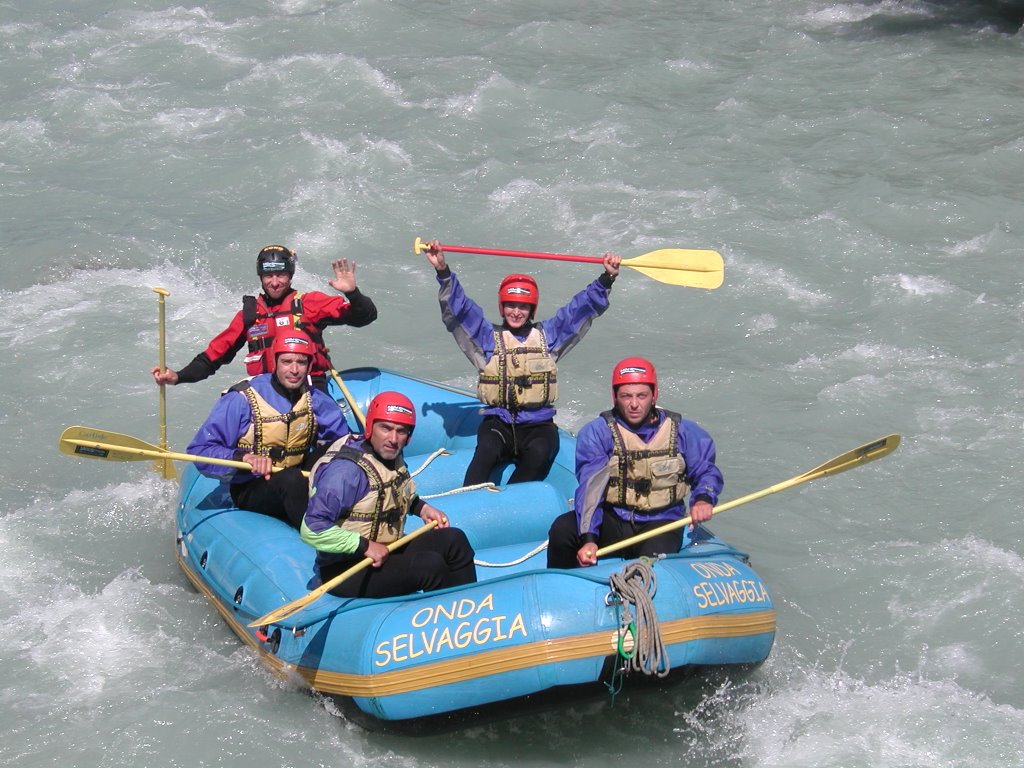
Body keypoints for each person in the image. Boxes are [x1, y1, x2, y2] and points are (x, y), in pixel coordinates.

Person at [423, 239, 621, 486]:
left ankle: (512, 504)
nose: (516, 312)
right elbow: (460, 310)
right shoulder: (486, 338)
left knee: (538, 456)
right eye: (510, 306)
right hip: (498, 425)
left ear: (532, 309)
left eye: (523, 307)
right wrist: (443, 271)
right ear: (502, 307)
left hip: (539, 427)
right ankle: (470, 503)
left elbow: (577, 312)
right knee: (483, 456)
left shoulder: (548, 337)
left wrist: (606, 279)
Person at [546, 357, 723, 569]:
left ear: (654, 395)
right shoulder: (597, 432)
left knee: (649, 569)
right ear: (615, 397)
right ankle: (563, 588)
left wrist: (703, 498)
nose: (634, 404)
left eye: (642, 395)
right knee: (563, 529)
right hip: (613, 519)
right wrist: (589, 539)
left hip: (662, 523)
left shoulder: (683, 431)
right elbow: (591, 489)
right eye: (626, 396)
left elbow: (706, 470)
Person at [301, 391, 477, 598]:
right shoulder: (346, 473)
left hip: (385, 551)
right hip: (345, 567)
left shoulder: (390, 455)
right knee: (430, 566)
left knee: (454, 540)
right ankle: (443, 622)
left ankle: (470, 607)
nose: (393, 439)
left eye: (401, 431)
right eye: (385, 428)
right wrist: (363, 546)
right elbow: (311, 529)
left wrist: (421, 508)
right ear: (370, 428)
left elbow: (390, 493)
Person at [152, 244, 377, 391]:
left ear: (290, 276)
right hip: (267, 392)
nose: (275, 282)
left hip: (308, 388)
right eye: (269, 275)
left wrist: (352, 293)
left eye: (281, 274)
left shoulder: (309, 303)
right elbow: (213, 357)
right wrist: (177, 377)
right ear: (261, 277)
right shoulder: (250, 315)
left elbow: (365, 316)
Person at [187, 330, 352, 527]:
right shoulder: (241, 399)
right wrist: (244, 458)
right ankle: (323, 535)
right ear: (274, 362)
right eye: (287, 361)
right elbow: (201, 450)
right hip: (251, 486)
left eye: (301, 362)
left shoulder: (315, 399)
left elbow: (341, 441)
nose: (294, 370)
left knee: (344, 451)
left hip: (298, 476)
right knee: (290, 479)